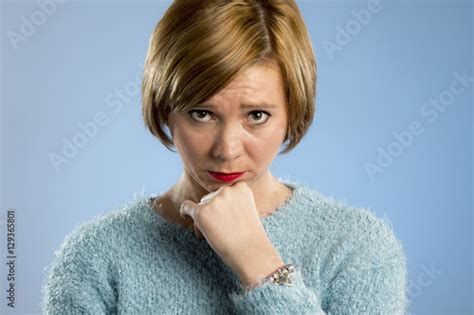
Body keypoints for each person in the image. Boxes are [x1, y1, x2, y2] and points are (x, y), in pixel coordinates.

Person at [42, 0, 408, 314]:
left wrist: (258, 262)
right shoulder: (95, 256)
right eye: (202, 113)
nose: (227, 149)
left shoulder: (356, 248)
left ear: (292, 113)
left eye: (257, 115)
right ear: (165, 108)